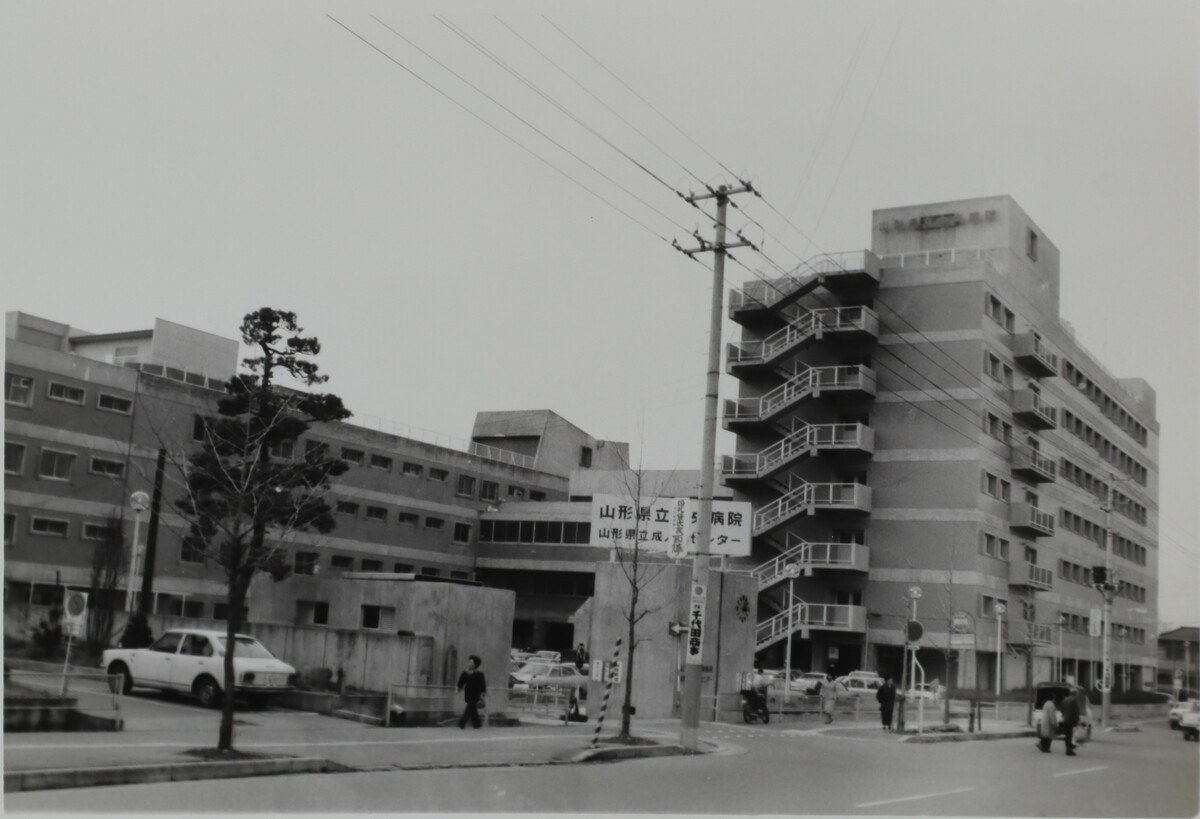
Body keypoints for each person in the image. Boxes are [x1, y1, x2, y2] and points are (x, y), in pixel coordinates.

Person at [456, 655, 487, 730]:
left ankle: (462, 722)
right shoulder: (466, 672)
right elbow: (461, 681)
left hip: (476, 694)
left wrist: (483, 693)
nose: (469, 663)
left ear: (475, 664)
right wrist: (458, 689)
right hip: (468, 693)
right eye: (469, 662)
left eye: (471, 662)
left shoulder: (479, 674)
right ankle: (477, 724)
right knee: (472, 709)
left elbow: (482, 684)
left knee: (470, 707)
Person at [1060, 687, 1081, 756]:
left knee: (1067, 735)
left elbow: (1061, 709)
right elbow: (1075, 711)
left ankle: (1068, 748)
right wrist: (1077, 720)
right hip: (1071, 720)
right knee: (1070, 735)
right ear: (1075, 694)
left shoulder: (1065, 699)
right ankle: (1069, 750)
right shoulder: (1074, 700)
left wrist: (1064, 715)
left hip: (1065, 719)